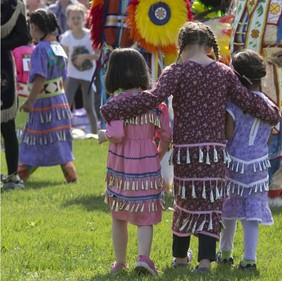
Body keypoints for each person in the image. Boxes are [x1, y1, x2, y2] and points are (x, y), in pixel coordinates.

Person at [100, 21, 281, 273]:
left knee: (185, 203)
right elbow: (247, 101)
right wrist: (273, 112)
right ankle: (205, 261)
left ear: (182, 46)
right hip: (214, 152)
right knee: (211, 203)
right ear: (208, 45)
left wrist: (113, 109)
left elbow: (152, 98)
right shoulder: (224, 72)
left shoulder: (176, 72)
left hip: (186, 151)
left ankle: (181, 259)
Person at [228, 0, 282, 207]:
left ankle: (274, 191)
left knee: (276, 131)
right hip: (241, 75)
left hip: (278, 74)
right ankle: (244, 186)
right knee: (242, 131)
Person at [97, 48, 172, 276]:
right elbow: (166, 134)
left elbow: (117, 134)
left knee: (119, 213)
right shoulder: (155, 104)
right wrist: (157, 154)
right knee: (145, 213)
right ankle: (143, 258)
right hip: (147, 160)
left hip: (120, 164)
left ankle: (120, 262)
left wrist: (103, 135)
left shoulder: (116, 104)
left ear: (114, 74)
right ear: (142, 71)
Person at [217, 49, 275, 271]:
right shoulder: (270, 107)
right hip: (259, 165)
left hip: (233, 163)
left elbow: (228, 133)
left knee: (229, 207)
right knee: (252, 213)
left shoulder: (234, 105)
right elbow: (266, 136)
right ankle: (249, 258)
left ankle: (225, 252)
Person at [17, 8, 77, 183]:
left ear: (34, 27)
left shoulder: (40, 49)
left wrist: (29, 101)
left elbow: (40, 78)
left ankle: (20, 176)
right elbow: (63, 77)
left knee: (35, 138)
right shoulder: (57, 46)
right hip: (59, 101)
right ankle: (70, 175)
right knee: (57, 138)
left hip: (44, 103)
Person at [1, 0, 30, 190]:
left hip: (2, 66)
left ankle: (12, 176)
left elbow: (23, 37)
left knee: (7, 125)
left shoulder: (14, 5)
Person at [60, 3, 99, 134]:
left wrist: (86, 56)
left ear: (84, 19)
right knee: (66, 104)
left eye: (78, 18)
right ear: (69, 20)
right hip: (72, 75)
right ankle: (64, 131)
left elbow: (98, 55)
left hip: (87, 76)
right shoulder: (67, 37)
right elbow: (63, 58)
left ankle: (94, 134)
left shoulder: (90, 36)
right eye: (73, 18)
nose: (76, 20)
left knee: (89, 107)